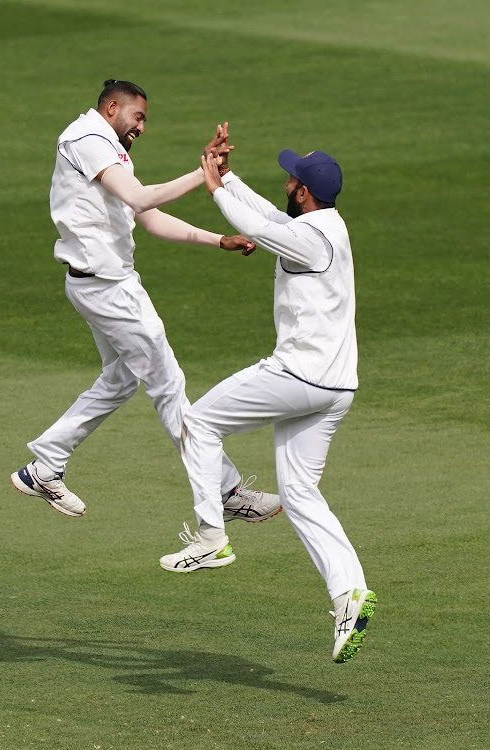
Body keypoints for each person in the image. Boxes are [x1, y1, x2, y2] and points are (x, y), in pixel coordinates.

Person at [10, 80, 281, 529]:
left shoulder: (106, 149)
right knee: (169, 385)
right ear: (112, 107)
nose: (141, 127)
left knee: (119, 380)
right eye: (138, 117)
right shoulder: (87, 139)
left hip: (97, 284)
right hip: (109, 289)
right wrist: (205, 174)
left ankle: (44, 467)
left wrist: (218, 240)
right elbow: (140, 198)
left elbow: (149, 218)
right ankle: (227, 491)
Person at [160, 137, 377, 663]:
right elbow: (270, 222)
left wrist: (213, 189)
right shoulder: (324, 226)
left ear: (303, 193)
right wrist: (228, 179)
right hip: (334, 387)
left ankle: (213, 534)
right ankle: (350, 594)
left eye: (291, 180)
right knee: (300, 494)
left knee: (198, 422)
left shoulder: (312, 240)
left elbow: (258, 229)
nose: (285, 183)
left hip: (299, 376)